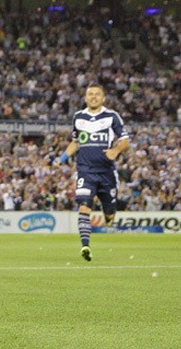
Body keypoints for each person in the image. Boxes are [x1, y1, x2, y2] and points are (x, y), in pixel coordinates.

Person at [54, 83, 130, 261]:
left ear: (103, 98)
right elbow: (76, 142)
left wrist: (116, 150)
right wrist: (61, 159)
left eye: (97, 94)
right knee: (84, 206)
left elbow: (125, 140)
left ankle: (108, 214)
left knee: (110, 214)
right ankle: (85, 246)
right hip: (85, 171)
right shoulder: (78, 117)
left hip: (106, 173)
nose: (94, 97)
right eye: (90, 94)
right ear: (85, 98)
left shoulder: (112, 116)